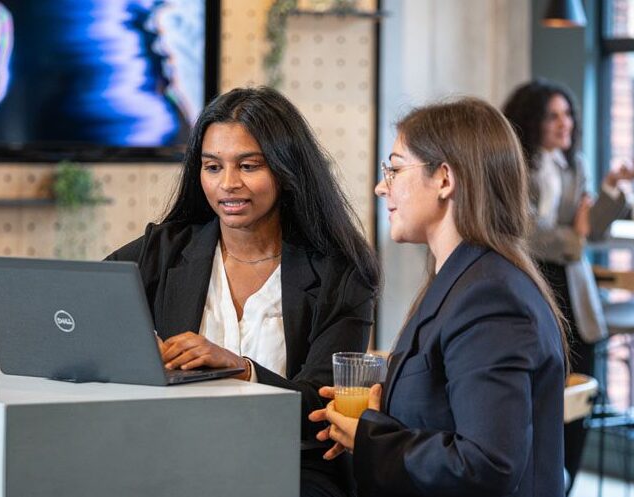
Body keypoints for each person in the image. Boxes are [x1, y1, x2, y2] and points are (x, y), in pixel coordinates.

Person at [105, 86, 381, 497]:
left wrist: (240, 369)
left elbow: (323, 412)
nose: (228, 184)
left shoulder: (341, 272)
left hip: (291, 467)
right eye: (212, 167)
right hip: (172, 454)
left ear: (286, 171)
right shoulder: (163, 250)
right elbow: (79, 310)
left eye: (249, 166)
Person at [309, 98, 568, 497]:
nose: (382, 187)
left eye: (394, 169)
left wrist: (372, 438)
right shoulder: (466, 279)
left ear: (444, 179)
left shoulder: (490, 297)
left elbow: (487, 464)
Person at [502, 78, 634, 492]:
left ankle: (566, 485)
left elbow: (594, 232)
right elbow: (521, 231)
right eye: (553, 116)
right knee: (536, 399)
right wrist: (573, 236)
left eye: (568, 114)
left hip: (574, 293)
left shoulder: (576, 164)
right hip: (530, 285)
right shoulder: (514, 165)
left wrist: (610, 189)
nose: (564, 123)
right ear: (532, 121)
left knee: (578, 397)